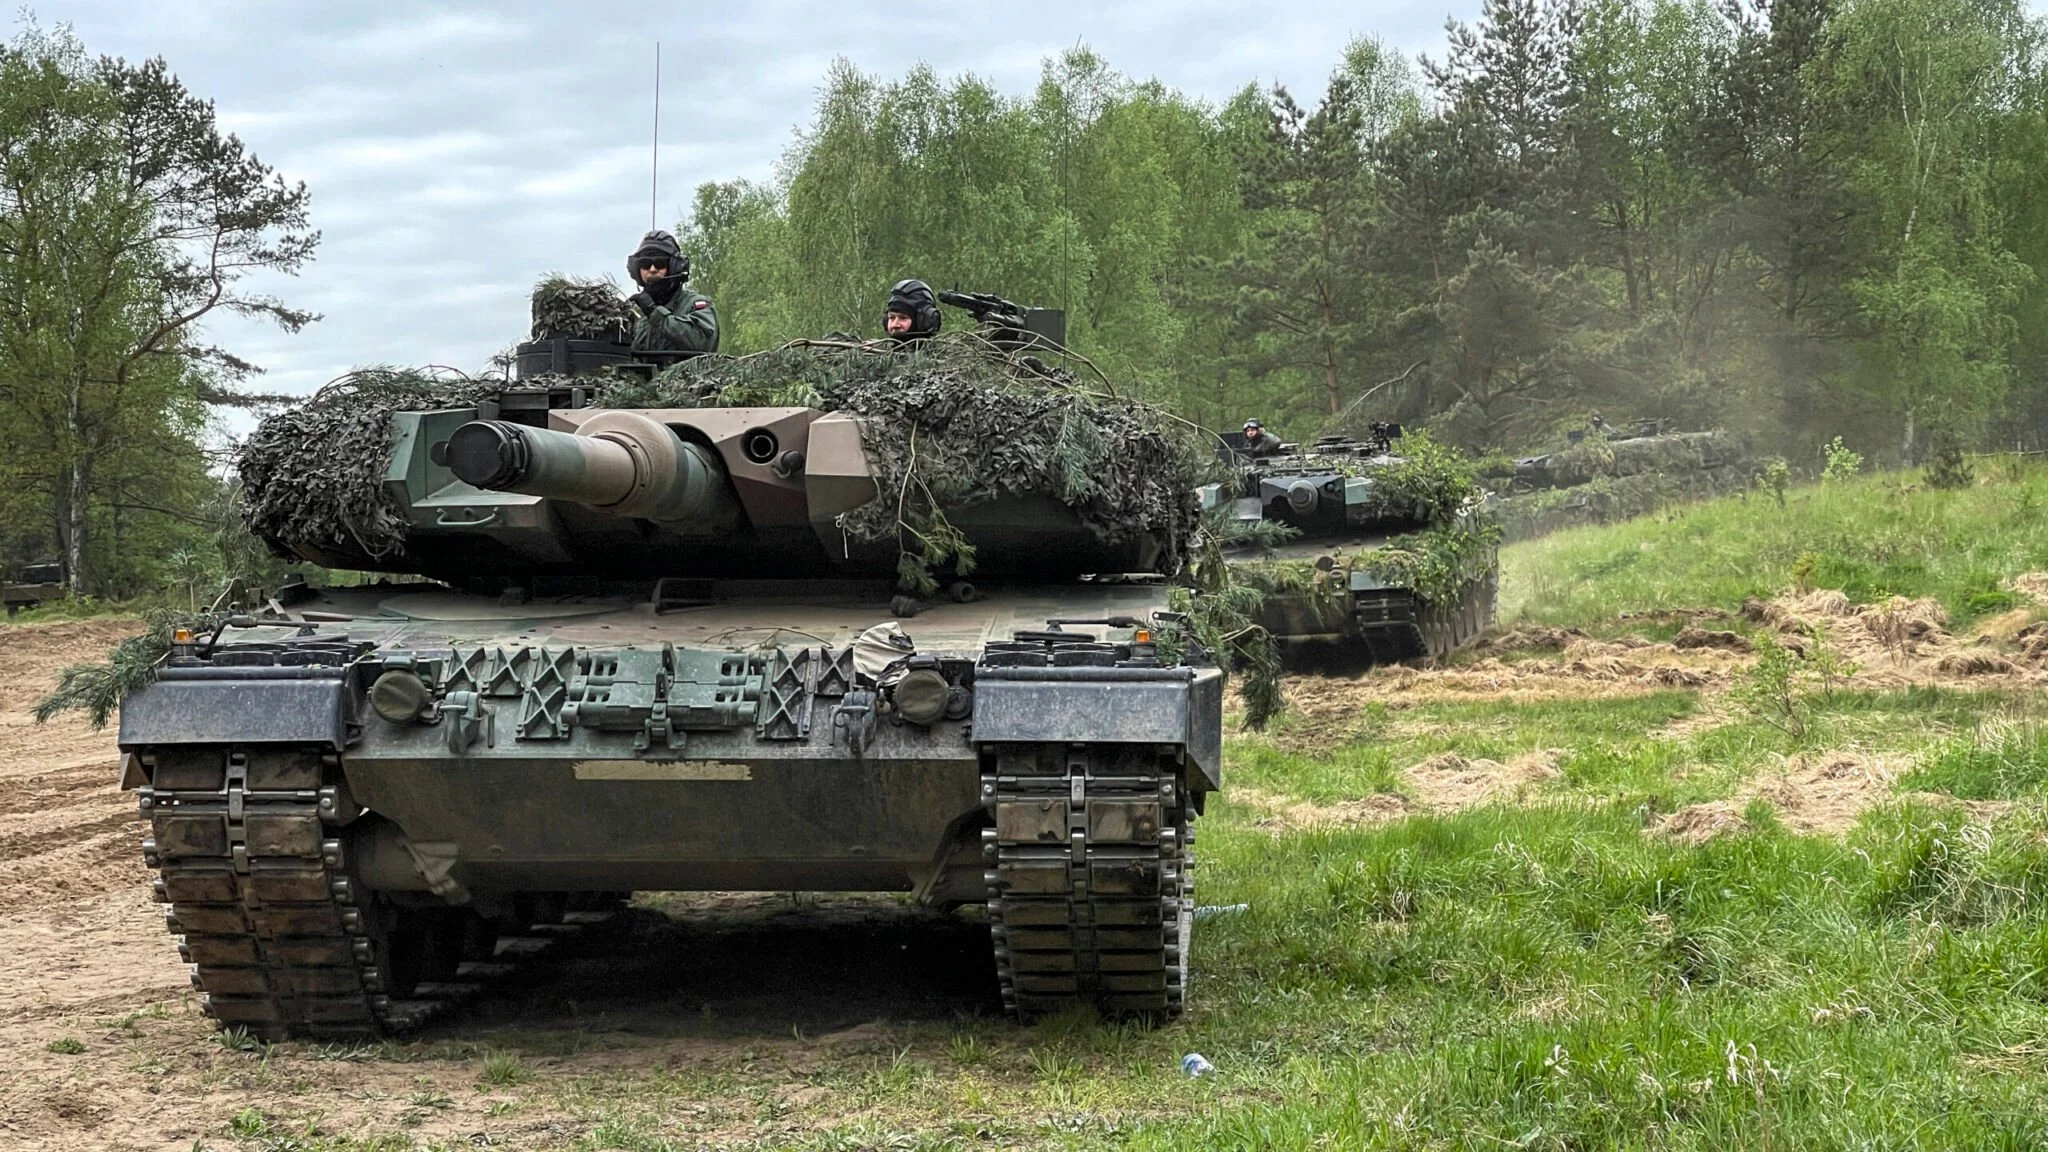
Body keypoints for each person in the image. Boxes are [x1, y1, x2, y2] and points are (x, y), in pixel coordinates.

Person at [625, 230, 718, 356]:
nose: (652, 269)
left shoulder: (695, 305)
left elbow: (703, 342)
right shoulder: (633, 313)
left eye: (660, 263)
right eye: (645, 264)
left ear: (674, 267)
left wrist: (655, 314)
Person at [884, 279, 943, 345]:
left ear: (923, 322)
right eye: (891, 317)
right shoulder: (877, 348)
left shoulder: (946, 350)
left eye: (903, 318)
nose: (895, 324)